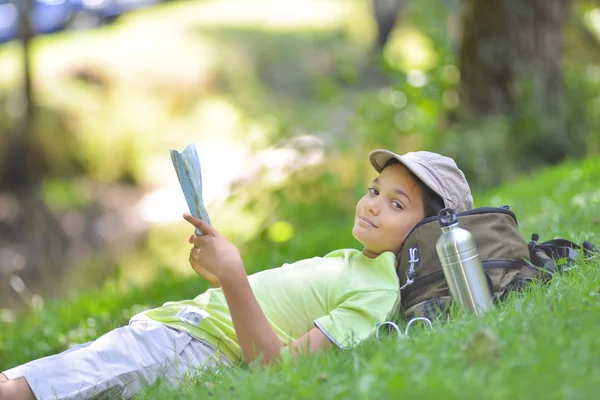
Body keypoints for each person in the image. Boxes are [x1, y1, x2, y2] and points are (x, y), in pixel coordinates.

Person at [0, 149, 473, 400]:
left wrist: (234, 277)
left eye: (395, 204)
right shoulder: (359, 263)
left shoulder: (378, 291)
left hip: (187, 348)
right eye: (375, 189)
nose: (372, 203)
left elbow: (277, 367)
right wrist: (219, 275)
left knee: (23, 390)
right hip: (178, 333)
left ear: (430, 233)